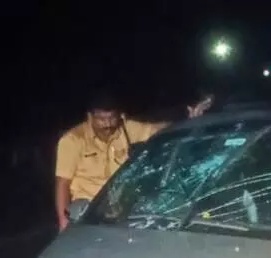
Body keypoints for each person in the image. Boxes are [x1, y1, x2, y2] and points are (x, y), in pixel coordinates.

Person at [54, 90, 213, 231]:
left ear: (120, 116)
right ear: (90, 117)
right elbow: (63, 183)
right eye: (101, 119)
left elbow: (157, 129)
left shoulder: (126, 128)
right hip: (86, 214)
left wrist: (189, 119)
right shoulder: (73, 140)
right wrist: (64, 221)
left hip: (121, 213)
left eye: (112, 118)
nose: (108, 124)